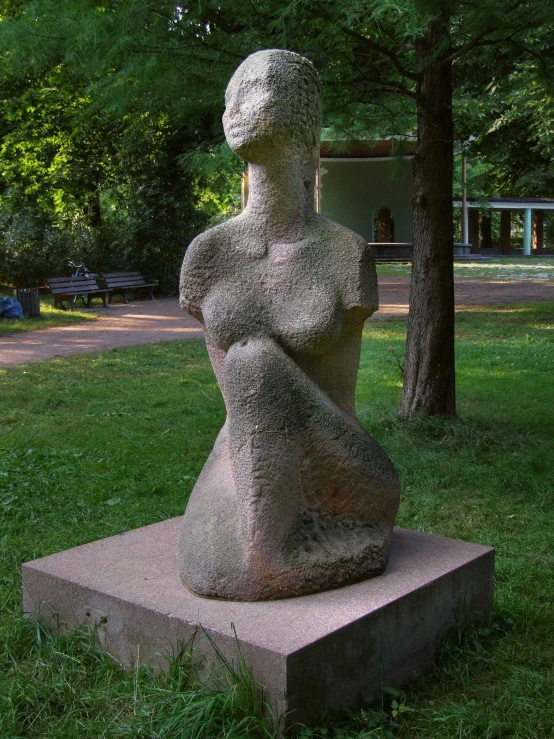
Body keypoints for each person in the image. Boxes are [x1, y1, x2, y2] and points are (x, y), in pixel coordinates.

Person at [179, 49, 400, 601]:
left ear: (308, 119)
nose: (254, 98)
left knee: (252, 362)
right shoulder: (208, 256)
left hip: (341, 474)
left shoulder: (346, 254)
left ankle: (270, 555)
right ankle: (265, 548)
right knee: (251, 365)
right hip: (239, 466)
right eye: (240, 94)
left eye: (272, 87)